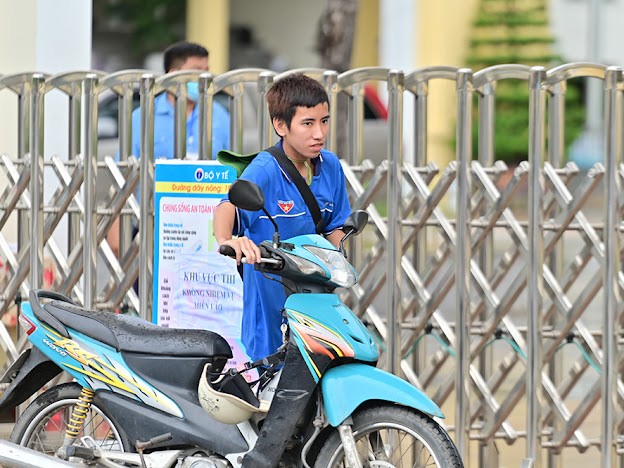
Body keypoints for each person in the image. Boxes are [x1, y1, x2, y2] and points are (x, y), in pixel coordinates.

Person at [213, 73, 351, 362]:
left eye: (324, 121)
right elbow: (227, 206)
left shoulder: (331, 166)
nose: (319, 134)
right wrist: (228, 239)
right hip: (269, 295)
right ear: (280, 125)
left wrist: (341, 263)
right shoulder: (265, 169)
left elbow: (336, 225)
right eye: (308, 123)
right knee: (269, 380)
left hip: (314, 294)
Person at [108, 41, 230, 258]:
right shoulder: (144, 116)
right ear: (173, 74)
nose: (204, 78)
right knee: (149, 288)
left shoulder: (219, 115)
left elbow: (232, 170)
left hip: (207, 224)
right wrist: (116, 224)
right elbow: (124, 172)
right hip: (153, 222)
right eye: (196, 71)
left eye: (207, 71)